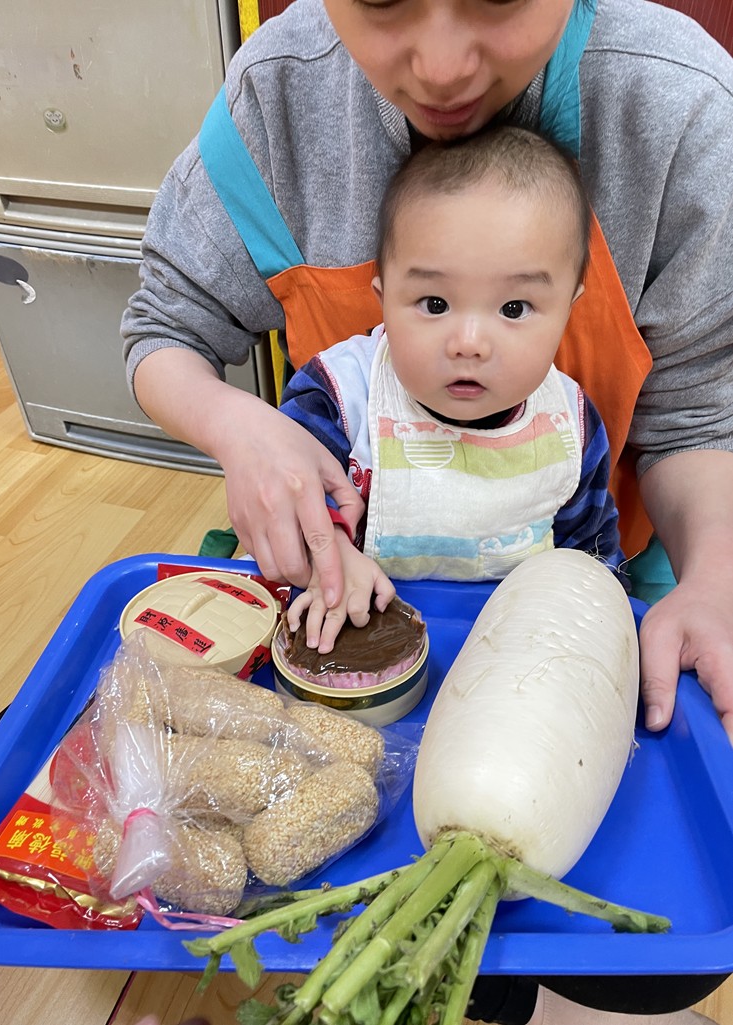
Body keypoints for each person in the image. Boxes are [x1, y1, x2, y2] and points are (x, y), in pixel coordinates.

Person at [120, 1, 733, 1021]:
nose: (442, 67)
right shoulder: (279, 105)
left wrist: (709, 577)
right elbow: (162, 326)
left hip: (536, 663)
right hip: (348, 644)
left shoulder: (681, 114)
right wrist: (241, 429)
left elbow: (676, 440)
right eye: (382, 0)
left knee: (647, 965)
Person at [280, 125, 624, 652]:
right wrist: (327, 555)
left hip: (517, 658)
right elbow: (290, 489)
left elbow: (593, 565)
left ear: (567, 310)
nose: (469, 344)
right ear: (383, 298)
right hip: (351, 645)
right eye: (435, 304)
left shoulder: (571, 426)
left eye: (514, 308)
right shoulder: (342, 395)